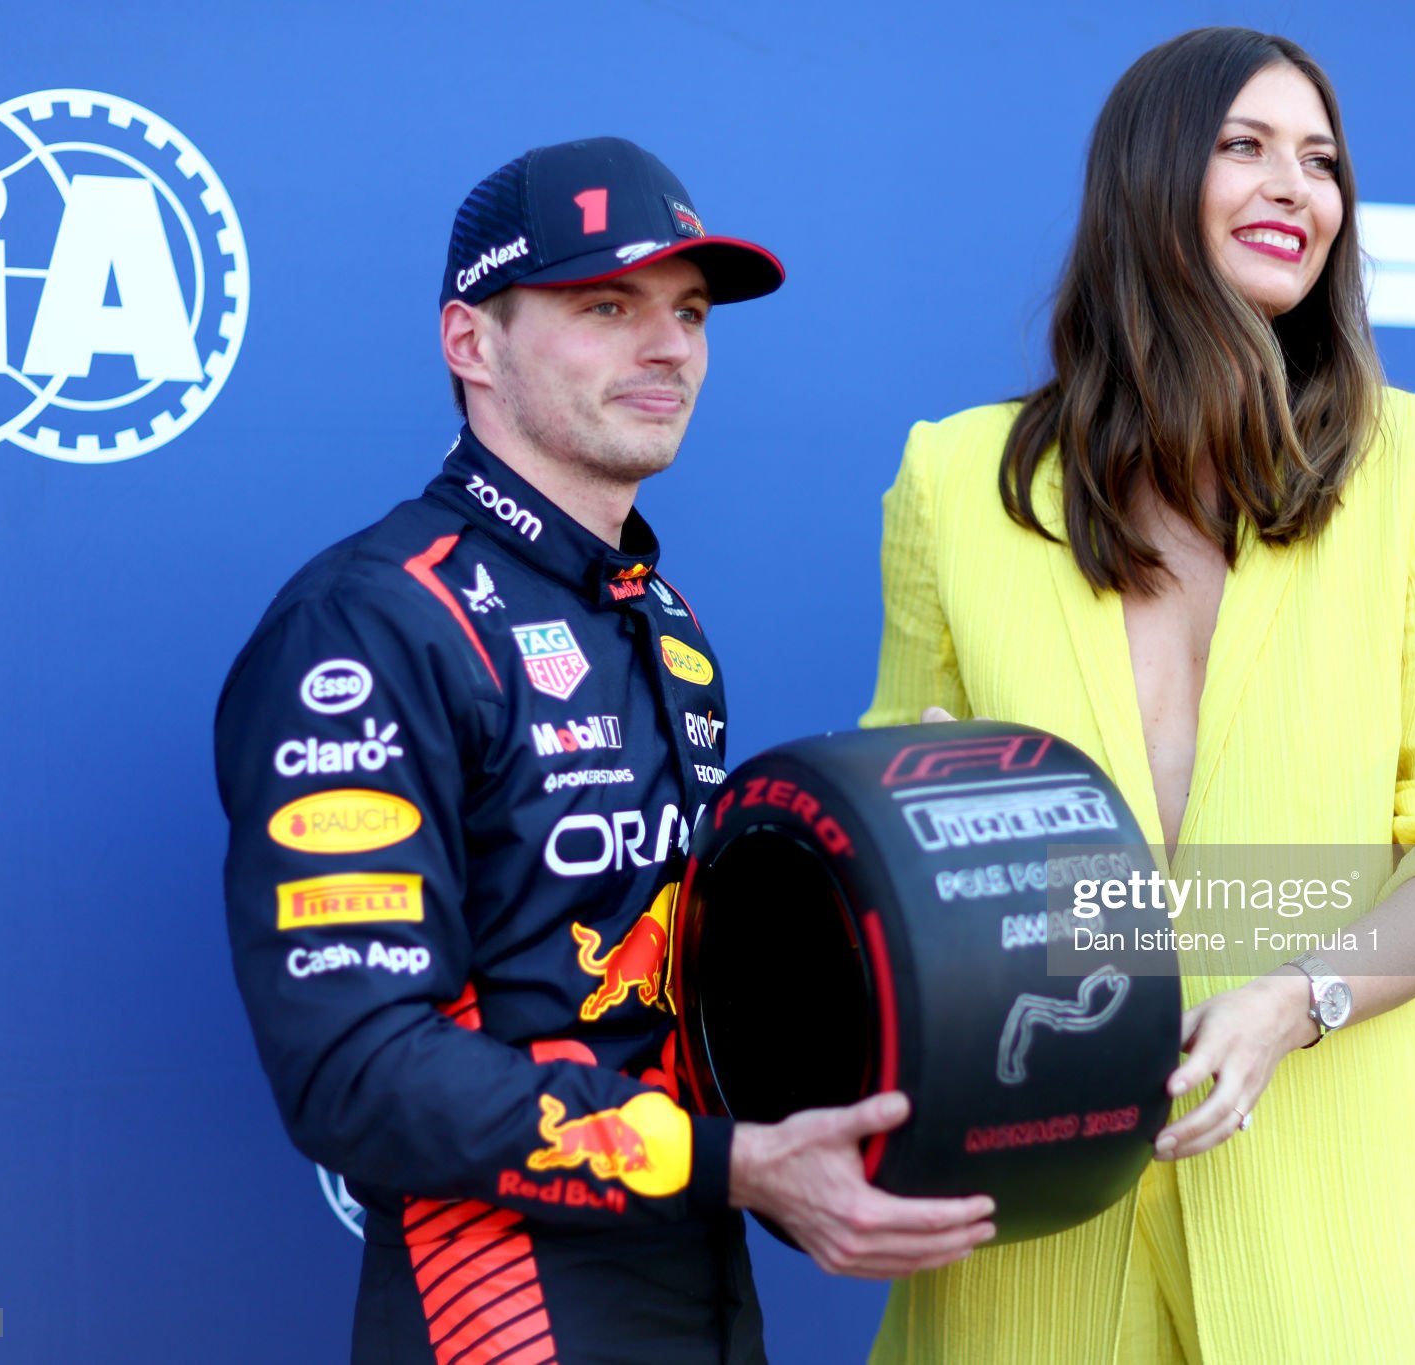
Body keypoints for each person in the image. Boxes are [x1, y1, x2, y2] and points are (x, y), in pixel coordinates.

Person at [215, 137, 994, 1365]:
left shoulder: (665, 623)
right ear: (470, 342)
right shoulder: (371, 625)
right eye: (605, 306)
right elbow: (355, 1071)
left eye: (686, 313)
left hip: (703, 1282)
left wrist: (884, 844)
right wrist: (729, 1162)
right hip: (502, 1305)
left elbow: (686, 960)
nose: (668, 346)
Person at [862, 29, 1415, 1365]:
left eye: (1322, 160)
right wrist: (921, 822)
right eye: (1245, 145)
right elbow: (889, 840)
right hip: (1030, 1220)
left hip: (1336, 1224)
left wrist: (1298, 997)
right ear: (1148, 176)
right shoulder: (952, 482)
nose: (1297, 185)